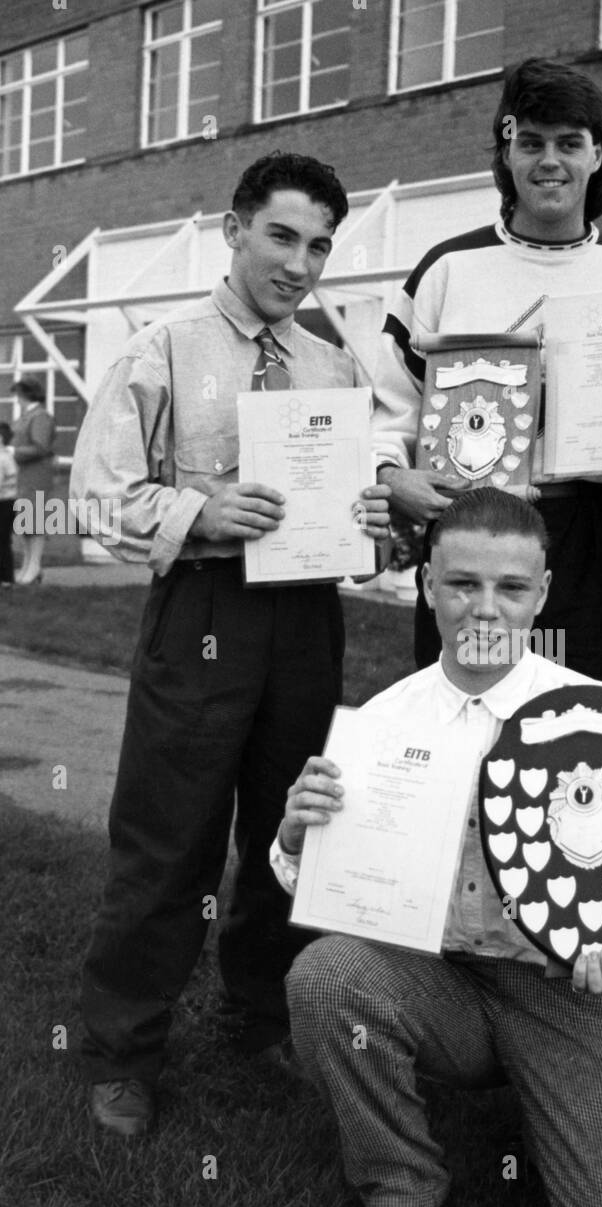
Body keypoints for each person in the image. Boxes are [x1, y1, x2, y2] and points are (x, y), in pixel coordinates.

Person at [274, 488, 602, 1207]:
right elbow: (315, 879)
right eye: (463, 583)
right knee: (326, 975)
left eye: (509, 588)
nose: (484, 608)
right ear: (428, 584)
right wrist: (297, 837)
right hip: (435, 977)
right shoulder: (383, 721)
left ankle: (566, 1129)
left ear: (541, 593)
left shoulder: (598, 718)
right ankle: (399, 1193)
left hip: (564, 991)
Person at [69, 151, 392, 1138]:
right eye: (283, 236)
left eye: (320, 245)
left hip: (303, 619)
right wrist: (201, 512)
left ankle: (259, 1018)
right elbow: (95, 498)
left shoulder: (333, 363)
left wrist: (368, 515)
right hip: (203, 610)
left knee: (292, 833)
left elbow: (354, 508)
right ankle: (125, 1050)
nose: (300, 263)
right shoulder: (161, 350)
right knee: (169, 835)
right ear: (235, 230)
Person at [372, 56, 602, 694]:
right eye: (530, 142)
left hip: (591, 533)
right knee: (463, 718)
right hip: (471, 526)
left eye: (570, 144)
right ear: (505, 153)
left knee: (587, 725)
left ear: (597, 156)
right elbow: (388, 411)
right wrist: (391, 476)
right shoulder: (447, 268)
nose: (549, 161)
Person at [10, 376, 56, 585]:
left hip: (36, 475)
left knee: (35, 523)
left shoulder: (41, 417)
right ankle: (28, 565)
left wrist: (13, 451)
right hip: (24, 476)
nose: (17, 399)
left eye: (19, 394)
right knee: (26, 524)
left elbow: (41, 447)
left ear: (27, 394)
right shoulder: (28, 416)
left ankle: (34, 566)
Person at [0, 422, 17, 587]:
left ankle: (6, 578)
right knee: (4, 541)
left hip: (3, 503)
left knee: (2, 542)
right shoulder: (7, 456)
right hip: (8, 502)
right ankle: (6, 578)